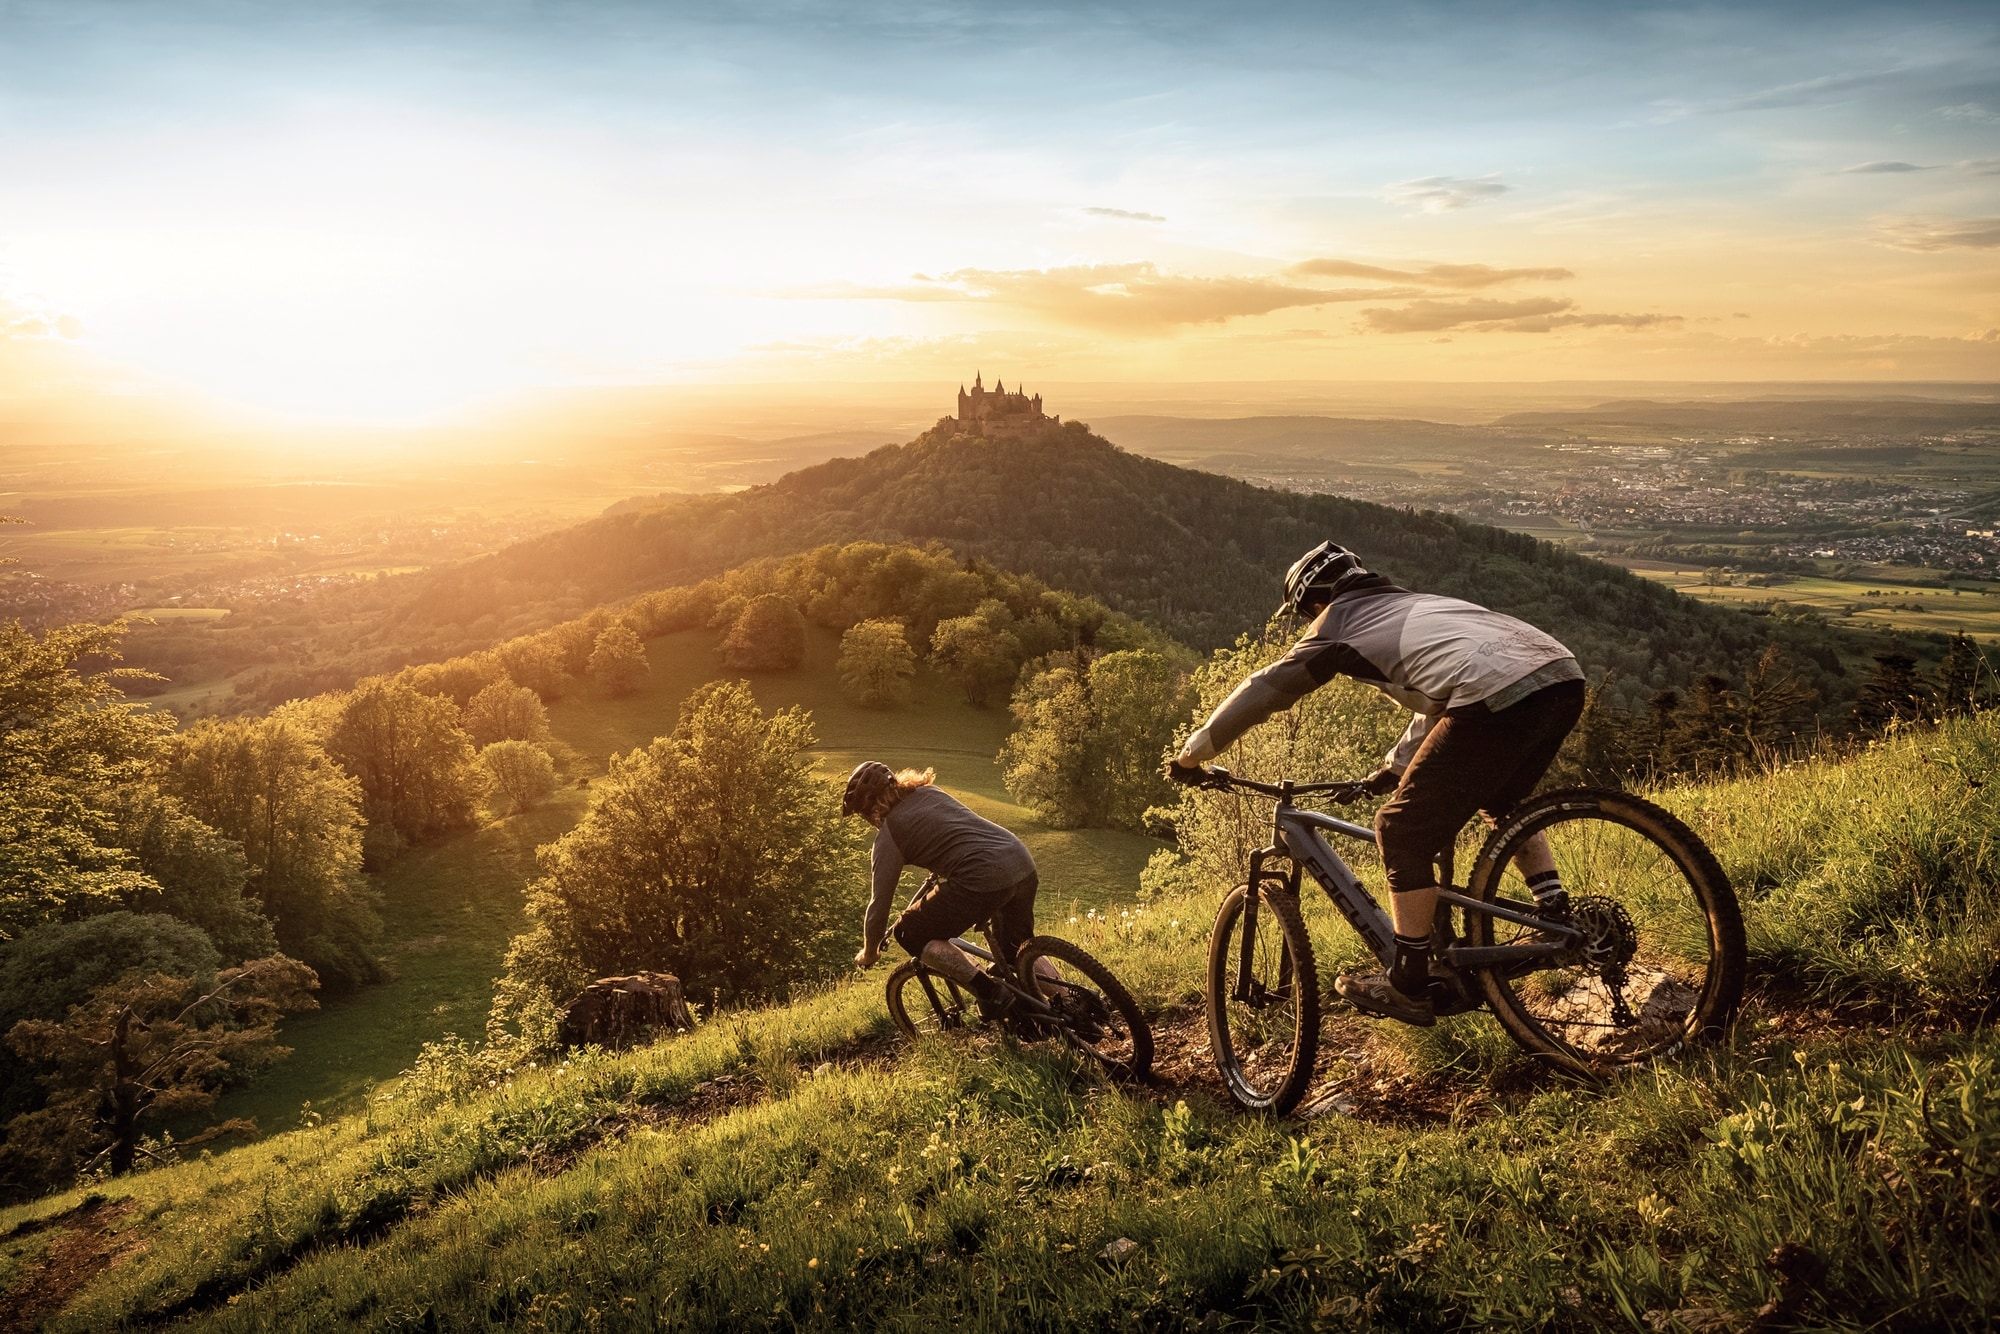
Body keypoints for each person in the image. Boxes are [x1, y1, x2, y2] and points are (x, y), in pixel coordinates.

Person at [1167, 541, 1585, 1027]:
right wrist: (1391, 769)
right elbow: (1440, 698)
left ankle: (1408, 981)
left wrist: (1193, 755)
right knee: (1504, 803)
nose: (1309, 625)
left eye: (1306, 616)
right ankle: (1554, 913)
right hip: (1559, 677)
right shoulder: (1412, 604)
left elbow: (1266, 690)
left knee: (1400, 829)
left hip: (1493, 693)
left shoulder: (1336, 624)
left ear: (1314, 603)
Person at [845, 761, 1042, 1017]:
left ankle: (991, 993)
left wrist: (869, 952)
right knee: (1018, 949)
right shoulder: (929, 792)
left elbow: (879, 905)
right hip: (1019, 859)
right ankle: (1075, 1003)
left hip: (982, 877)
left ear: (871, 808)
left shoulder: (888, 834)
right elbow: (955, 834)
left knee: (909, 932)